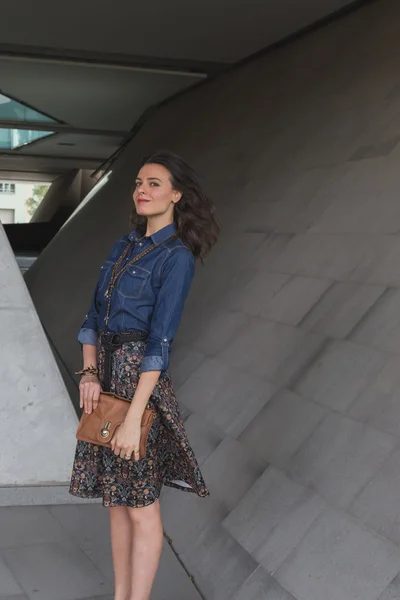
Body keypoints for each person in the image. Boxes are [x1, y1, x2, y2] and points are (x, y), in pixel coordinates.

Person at [69, 150, 219, 600]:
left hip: (140, 388)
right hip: (106, 383)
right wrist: (89, 372)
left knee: (142, 508)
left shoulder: (177, 258)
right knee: (116, 503)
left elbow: (160, 346)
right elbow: (93, 315)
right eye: (138, 182)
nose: (142, 189)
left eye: (154, 183)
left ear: (176, 195)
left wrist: (135, 418)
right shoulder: (123, 246)